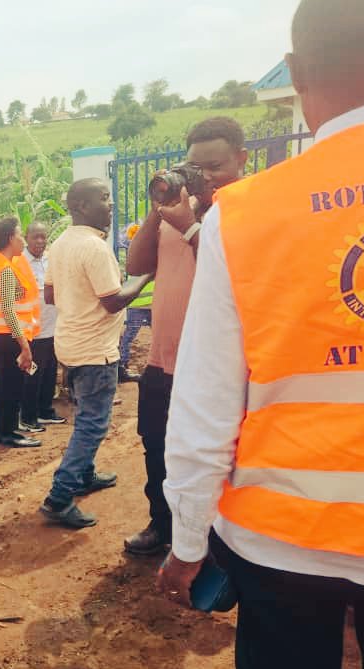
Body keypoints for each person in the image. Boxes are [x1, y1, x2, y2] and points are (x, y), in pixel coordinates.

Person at [159, 2, 364, 669]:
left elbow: (205, 404)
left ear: (297, 74)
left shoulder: (248, 214)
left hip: (285, 542)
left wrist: (187, 540)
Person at [123, 117, 247, 557]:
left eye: (215, 166)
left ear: (241, 159)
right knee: (157, 447)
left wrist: (192, 227)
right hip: (163, 360)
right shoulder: (176, 210)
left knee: (220, 458)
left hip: (217, 369)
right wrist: (157, 209)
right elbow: (137, 265)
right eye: (196, 167)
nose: (205, 176)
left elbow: (236, 277)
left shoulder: (245, 212)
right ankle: (162, 525)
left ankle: (215, 541)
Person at [38, 179, 152, 529]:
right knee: (92, 425)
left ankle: (84, 475)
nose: (111, 204)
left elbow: (50, 295)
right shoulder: (94, 247)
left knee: (84, 415)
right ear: (82, 207)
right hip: (94, 352)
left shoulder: (60, 244)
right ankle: (60, 496)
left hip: (71, 345)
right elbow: (113, 301)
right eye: (104, 198)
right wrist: (146, 275)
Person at [0, 217, 42, 448]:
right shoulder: (6, 270)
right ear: (10, 239)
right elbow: (7, 309)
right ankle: (7, 433)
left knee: (4, 383)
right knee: (11, 385)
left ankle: (5, 429)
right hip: (7, 336)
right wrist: (24, 344)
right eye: (19, 235)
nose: (23, 241)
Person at [19, 221, 65, 430]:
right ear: (26, 238)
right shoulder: (19, 261)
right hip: (32, 331)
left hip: (52, 326)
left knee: (49, 371)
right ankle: (28, 416)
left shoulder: (50, 259)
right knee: (32, 374)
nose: (39, 241)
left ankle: (45, 410)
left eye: (43, 237)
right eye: (35, 237)